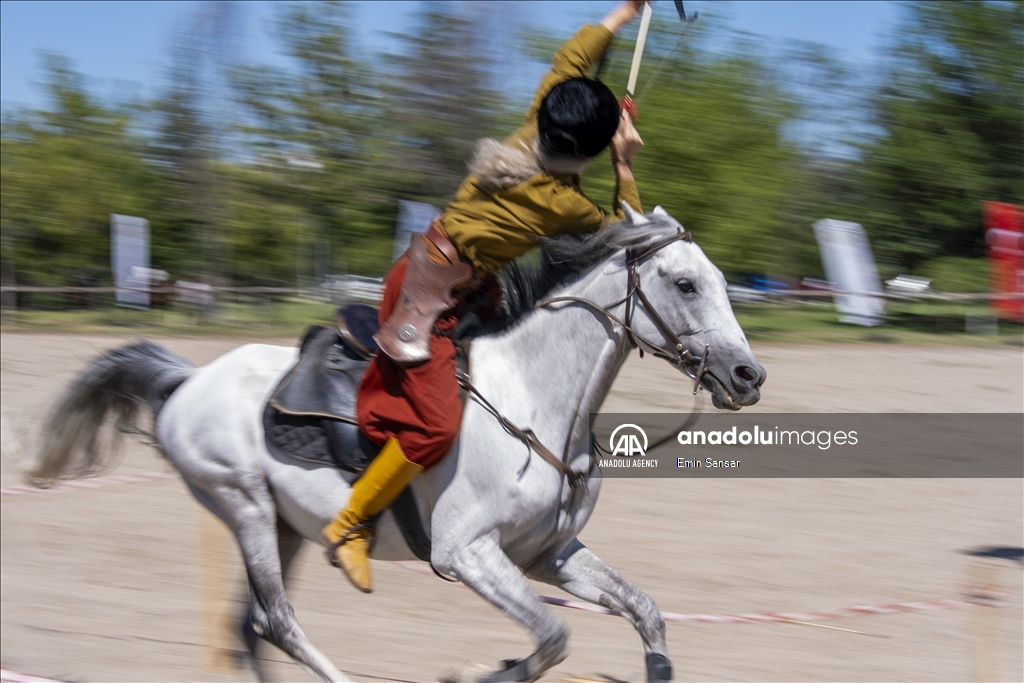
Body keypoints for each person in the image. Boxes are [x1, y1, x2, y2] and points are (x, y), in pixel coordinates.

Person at [323, 0, 647, 593]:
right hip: (427, 296)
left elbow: (573, 59)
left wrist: (623, 13)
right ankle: (349, 525)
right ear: (591, 150)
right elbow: (631, 237)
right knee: (433, 428)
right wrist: (624, 164)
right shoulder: (563, 205)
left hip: (461, 281)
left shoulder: (533, 122)